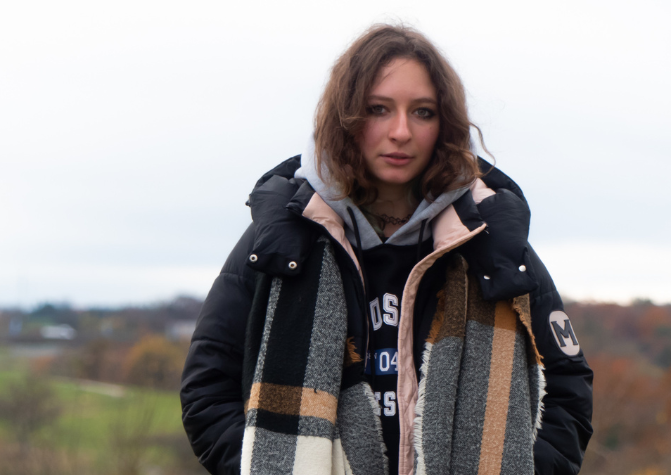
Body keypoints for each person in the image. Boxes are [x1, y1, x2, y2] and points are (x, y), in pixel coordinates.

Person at [180, 24, 592, 475]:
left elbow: (567, 387)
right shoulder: (284, 236)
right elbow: (207, 387)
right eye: (379, 109)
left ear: (445, 124)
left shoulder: (490, 241)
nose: (401, 131)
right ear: (347, 117)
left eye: (423, 112)